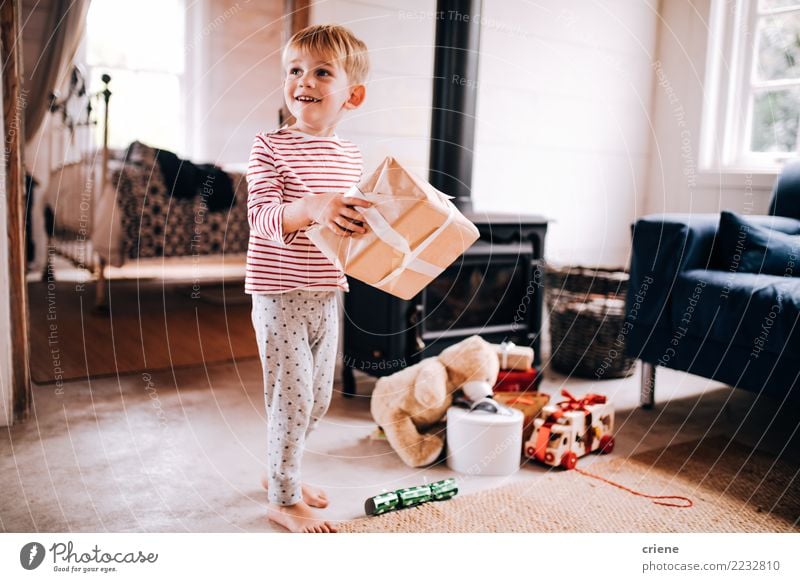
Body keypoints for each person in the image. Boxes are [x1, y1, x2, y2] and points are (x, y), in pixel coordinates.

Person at [245, 24, 370, 533]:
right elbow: (262, 217)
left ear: (352, 95)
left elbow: (349, 227)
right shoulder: (269, 147)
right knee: (292, 397)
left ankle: (281, 470)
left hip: (326, 292)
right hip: (278, 292)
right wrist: (314, 207)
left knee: (316, 399)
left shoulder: (351, 157)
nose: (305, 80)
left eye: (322, 71)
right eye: (295, 70)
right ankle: (283, 496)